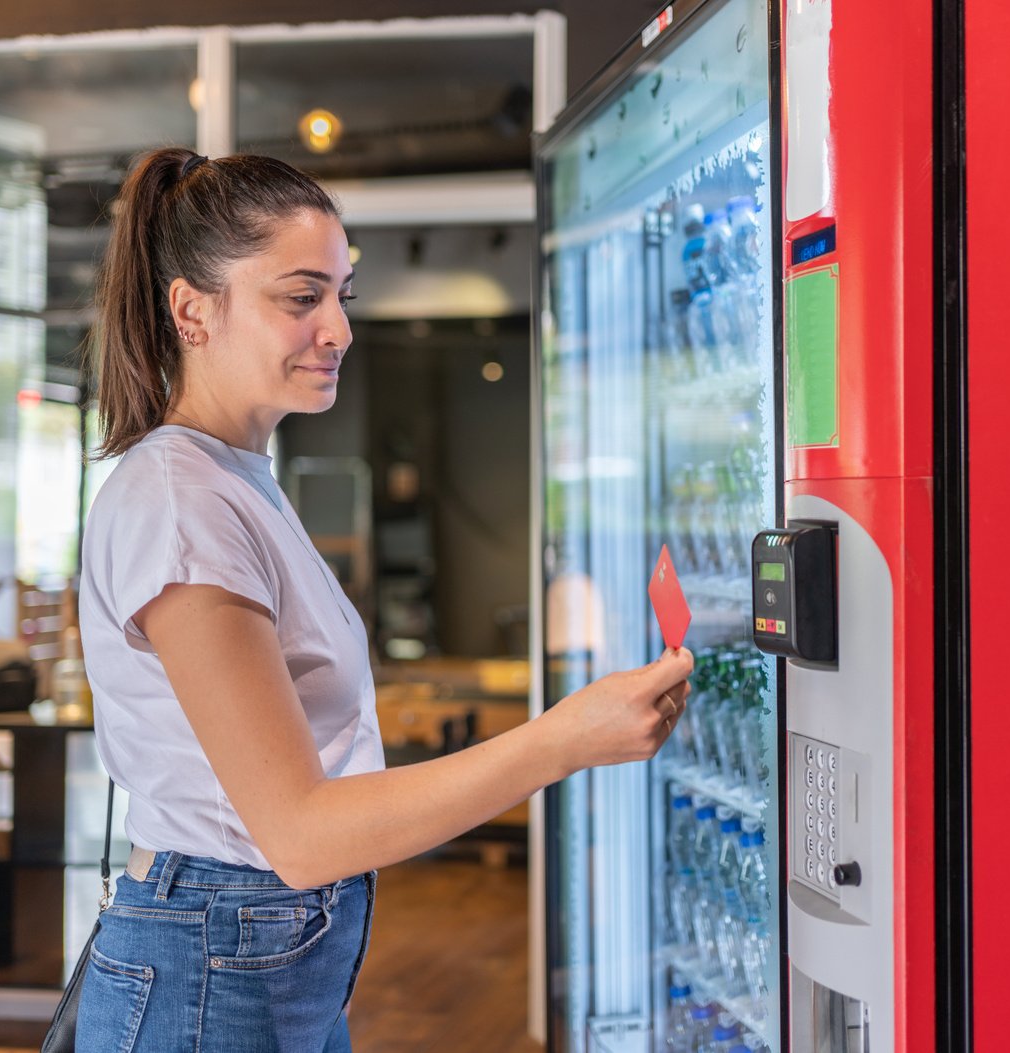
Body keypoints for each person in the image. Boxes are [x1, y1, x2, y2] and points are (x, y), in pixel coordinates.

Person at [75, 147, 693, 1052]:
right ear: (190, 309)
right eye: (301, 297)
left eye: (342, 295)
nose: (338, 329)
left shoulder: (234, 479)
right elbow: (300, 832)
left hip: (256, 951)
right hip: (216, 955)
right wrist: (563, 740)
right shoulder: (182, 500)